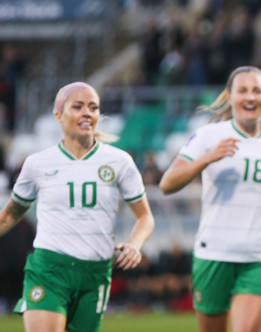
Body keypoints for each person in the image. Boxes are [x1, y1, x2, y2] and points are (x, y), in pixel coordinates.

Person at [0, 82, 155, 332]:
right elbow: (9, 215)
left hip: (95, 274)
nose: (87, 113)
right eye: (78, 106)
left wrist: (135, 245)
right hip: (49, 269)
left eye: (93, 107)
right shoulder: (37, 164)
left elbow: (145, 217)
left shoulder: (119, 162)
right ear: (58, 115)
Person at [159, 66, 261, 332]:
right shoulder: (209, 136)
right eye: (243, 90)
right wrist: (207, 159)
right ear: (229, 96)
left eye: (256, 90)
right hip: (214, 251)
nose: (250, 97)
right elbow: (167, 183)